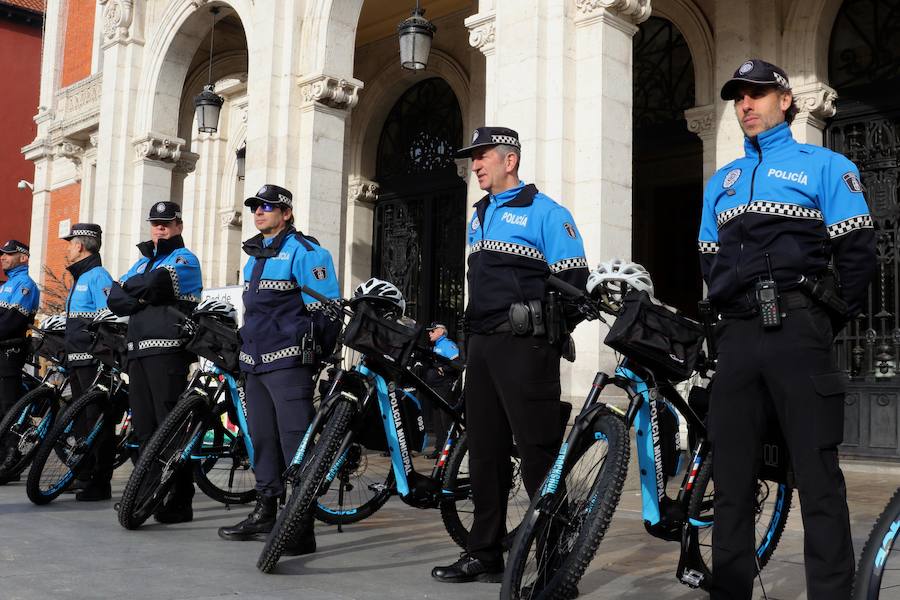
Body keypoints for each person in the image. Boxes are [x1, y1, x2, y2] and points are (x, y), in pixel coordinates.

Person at [698, 59, 876, 600]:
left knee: (817, 479)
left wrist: (820, 318)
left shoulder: (826, 165)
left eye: (757, 94)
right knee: (731, 483)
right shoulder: (721, 182)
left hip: (798, 331)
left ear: (786, 101)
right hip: (738, 337)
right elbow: (710, 260)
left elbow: (859, 254)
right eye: (738, 97)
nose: (746, 104)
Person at [432, 127, 588, 583]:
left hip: (526, 349)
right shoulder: (479, 214)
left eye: (482, 157)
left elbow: (574, 287)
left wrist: (542, 332)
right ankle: (484, 553)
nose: (475, 165)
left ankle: (556, 564)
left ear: (510, 160)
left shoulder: (547, 213)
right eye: (473, 158)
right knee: (485, 454)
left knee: (539, 455)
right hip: (481, 346)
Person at [218, 184, 339, 553]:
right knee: (263, 442)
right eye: (255, 207)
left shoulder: (307, 252)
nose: (258, 212)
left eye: (267, 207)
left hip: (289, 365)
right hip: (254, 364)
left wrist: (314, 357)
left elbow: (327, 312)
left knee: (295, 446)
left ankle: (301, 527)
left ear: (286, 213)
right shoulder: (254, 255)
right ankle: (266, 511)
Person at [108, 201, 202, 522]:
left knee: (170, 429)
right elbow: (114, 298)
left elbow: (157, 284)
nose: (160, 228)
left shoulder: (185, 259)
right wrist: (138, 292)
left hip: (168, 353)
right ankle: (149, 493)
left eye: (167, 223)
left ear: (179, 225)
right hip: (137, 352)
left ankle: (179, 500)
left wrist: (135, 292)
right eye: (155, 223)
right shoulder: (140, 262)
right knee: (145, 429)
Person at [60, 223, 116, 501]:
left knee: (97, 422)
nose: (68, 249)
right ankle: (82, 475)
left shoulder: (97, 276)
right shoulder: (79, 278)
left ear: (80, 246)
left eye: (70, 244)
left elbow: (109, 318)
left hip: (94, 364)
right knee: (82, 421)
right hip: (77, 361)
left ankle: (100, 480)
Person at [0, 240, 39, 420]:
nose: (3, 257)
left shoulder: (26, 284)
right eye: (3, 254)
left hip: (11, 350)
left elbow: (13, 321)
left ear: (23, 258)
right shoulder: (6, 285)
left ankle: (10, 447)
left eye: (8, 254)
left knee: (7, 405)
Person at [423, 322, 459, 458]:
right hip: (434, 388)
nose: (429, 333)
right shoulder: (436, 346)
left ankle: (452, 450)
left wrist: (443, 369)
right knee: (437, 420)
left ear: (440, 331)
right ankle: (439, 449)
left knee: (446, 420)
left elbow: (457, 363)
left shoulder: (447, 344)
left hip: (444, 387)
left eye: (432, 331)